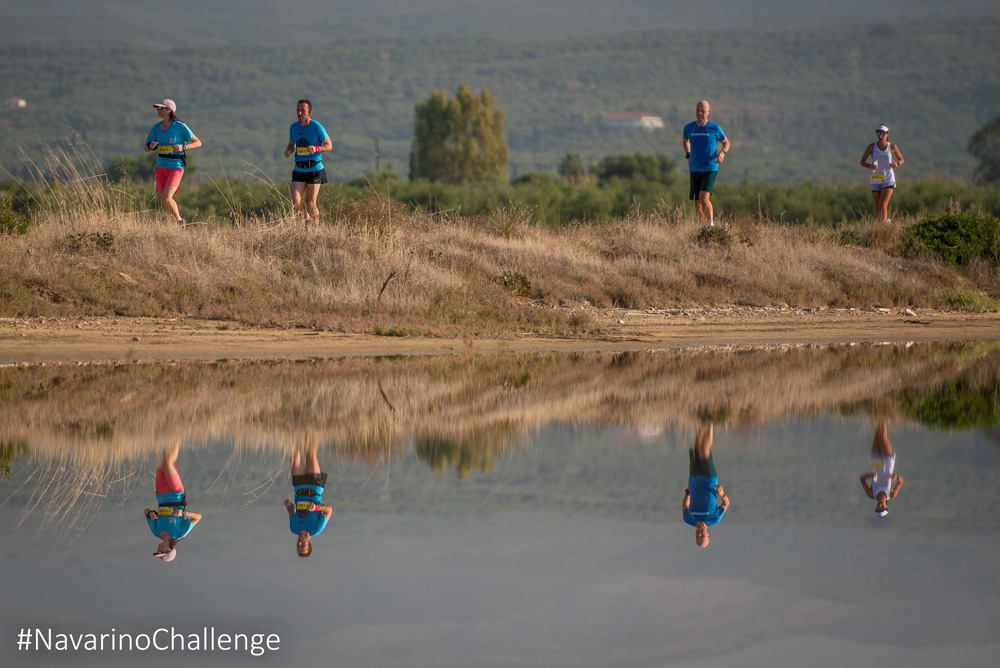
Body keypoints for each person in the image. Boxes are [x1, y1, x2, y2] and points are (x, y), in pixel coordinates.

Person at [144, 99, 202, 229]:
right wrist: (151, 146)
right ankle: (173, 225)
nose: (158, 111)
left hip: (176, 167)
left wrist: (184, 147)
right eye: (158, 108)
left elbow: (198, 142)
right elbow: (146, 148)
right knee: (165, 199)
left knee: (167, 196)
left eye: (161, 108)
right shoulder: (156, 128)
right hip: (161, 166)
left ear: (169, 110)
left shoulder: (180, 126)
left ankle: (180, 222)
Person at [144, 442, 202, 561]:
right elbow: (198, 517)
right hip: (176, 493)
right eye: (161, 551)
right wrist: (184, 514)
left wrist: (150, 513)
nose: (158, 548)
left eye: (157, 551)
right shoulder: (181, 533)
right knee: (168, 464)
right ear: (169, 550)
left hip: (160, 493)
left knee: (164, 461)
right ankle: (176, 436)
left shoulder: (156, 532)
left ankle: (169, 434)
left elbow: (146, 511)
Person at [283, 99, 333, 227]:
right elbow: (291, 144)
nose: (300, 113)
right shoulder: (294, 127)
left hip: (315, 169)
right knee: (295, 202)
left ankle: (315, 230)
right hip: (299, 169)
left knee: (310, 202)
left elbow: (329, 146)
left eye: (303, 110)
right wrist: (288, 151)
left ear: (309, 112)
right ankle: (308, 221)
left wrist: (316, 149)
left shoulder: (317, 127)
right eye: (298, 110)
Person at [682, 100, 730, 227]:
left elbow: (726, 142)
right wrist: (688, 155)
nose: (699, 113)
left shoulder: (715, 128)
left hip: (710, 167)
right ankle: (704, 227)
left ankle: (711, 224)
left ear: (708, 112)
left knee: (703, 198)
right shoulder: (689, 128)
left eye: (702, 111)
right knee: (697, 202)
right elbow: (685, 141)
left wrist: (722, 153)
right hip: (695, 168)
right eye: (698, 110)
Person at [283, 436, 332, 557]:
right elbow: (329, 510)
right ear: (309, 544)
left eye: (298, 546)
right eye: (303, 546)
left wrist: (288, 505)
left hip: (299, 487)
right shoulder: (316, 529)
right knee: (311, 453)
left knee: (294, 455)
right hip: (315, 487)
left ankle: (295, 429)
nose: (300, 543)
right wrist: (315, 508)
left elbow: (292, 512)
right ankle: (314, 426)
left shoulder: (293, 528)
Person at [682, 425, 730, 547]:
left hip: (694, 478)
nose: (699, 534)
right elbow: (726, 504)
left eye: (697, 537)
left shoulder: (688, 520)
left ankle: (700, 423)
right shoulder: (714, 519)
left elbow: (685, 506)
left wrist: (688, 492)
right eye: (702, 537)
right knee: (704, 450)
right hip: (709, 479)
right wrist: (722, 494)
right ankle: (710, 423)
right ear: (708, 535)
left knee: (697, 448)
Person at [859, 124, 904, 223]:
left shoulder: (892, 147)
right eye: (878, 133)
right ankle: (884, 223)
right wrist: (870, 166)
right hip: (875, 179)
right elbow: (862, 162)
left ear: (887, 134)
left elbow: (901, 159)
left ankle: (884, 228)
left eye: (882, 133)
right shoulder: (871, 147)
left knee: (883, 204)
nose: (880, 136)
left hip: (888, 179)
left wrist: (896, 164)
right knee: (878, 208)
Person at [859, 421, 904, 517]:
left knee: (877, 431)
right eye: (882, 508)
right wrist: (896, 477)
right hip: (887, 461)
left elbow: (861, 479)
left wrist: (869, 475)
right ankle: (885, 411)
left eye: (878, 508)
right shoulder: (891, 494)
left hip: (875, 463)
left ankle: (877, 412)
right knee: (883, 435)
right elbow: (900, 482)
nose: (879, 506)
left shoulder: (871, 494)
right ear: (886, 507)